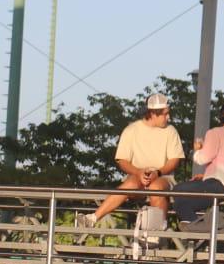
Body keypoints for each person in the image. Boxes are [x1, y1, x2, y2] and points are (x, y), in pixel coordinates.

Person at [75, 94, 182, 228]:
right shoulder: (131, 130)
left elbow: (174, 160)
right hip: (137, 177)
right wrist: (138, 172)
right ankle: (93, 218)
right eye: (165, 114)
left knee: (157, 187)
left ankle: (156, 230)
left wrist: (158, 173)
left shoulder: (171, 131)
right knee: (130, 184)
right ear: (154, 114)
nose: (168, 117)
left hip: (163, 177)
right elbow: (122, 160)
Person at [171, 101, 224, 227]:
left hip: (220, 185)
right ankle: (197, 228)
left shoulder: (215, 133)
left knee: (178, 191)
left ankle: (199, 230)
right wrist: (206, 176)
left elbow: (203, 158)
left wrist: (197, 150)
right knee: (183, 200)